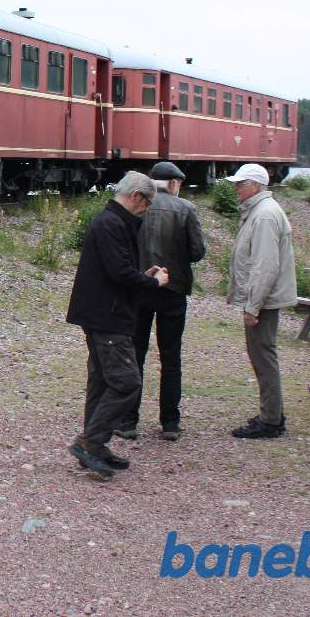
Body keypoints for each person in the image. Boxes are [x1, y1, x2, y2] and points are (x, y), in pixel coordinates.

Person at [65, 172, 170, 481]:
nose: (146, 210)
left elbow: (117, 269)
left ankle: (95, 446)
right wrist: (153, 282)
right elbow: (120, 273)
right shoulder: (111, 224)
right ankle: (89, 443)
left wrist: (142, 275)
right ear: (136, 196)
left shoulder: (110, 222)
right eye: (147, 203)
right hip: (109, 317)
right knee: (127, 382)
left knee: (101, 381)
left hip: (99, 313)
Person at [117, 161, 205, 441]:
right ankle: (170, 422)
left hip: (139, 287)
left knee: (135, 353)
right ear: (173, 183)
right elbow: (197, 252)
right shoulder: (185, 209)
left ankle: (128, 420)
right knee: (170, 356)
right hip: (173, 288)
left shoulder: (135, 206)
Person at [225, 163, 296, 439]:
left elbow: (265, 266)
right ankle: (271, 413)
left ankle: (270, 420)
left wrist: (253, 306)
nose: (236, 188)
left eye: (240, 184)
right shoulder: (260, 211)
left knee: (263, 357)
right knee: (262, 355)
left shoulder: (264, 215)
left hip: (264, 300)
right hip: (263, 298)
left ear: (256, 186)